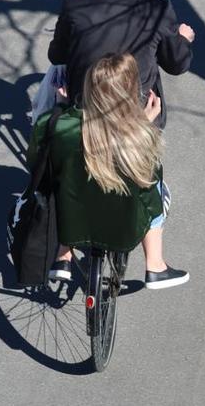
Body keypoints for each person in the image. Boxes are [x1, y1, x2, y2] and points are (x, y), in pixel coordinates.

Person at [28, 53, 188, 289]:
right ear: (131, 91)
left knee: (63, 183)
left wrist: (60, 110)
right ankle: (155, 265)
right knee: (158, 189)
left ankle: (63, 256)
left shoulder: (58, 125)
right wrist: (144, 124)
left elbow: (35, 161)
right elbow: (148, 192)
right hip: (124, 228)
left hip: (68, 220)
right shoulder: (139, 135)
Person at [48, 0, 195, 129]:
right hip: (137, 115)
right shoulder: (157, 7)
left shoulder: (75, 2)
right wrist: (182, 39)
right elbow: (176, 64)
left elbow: (56, 55)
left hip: (85, 111)